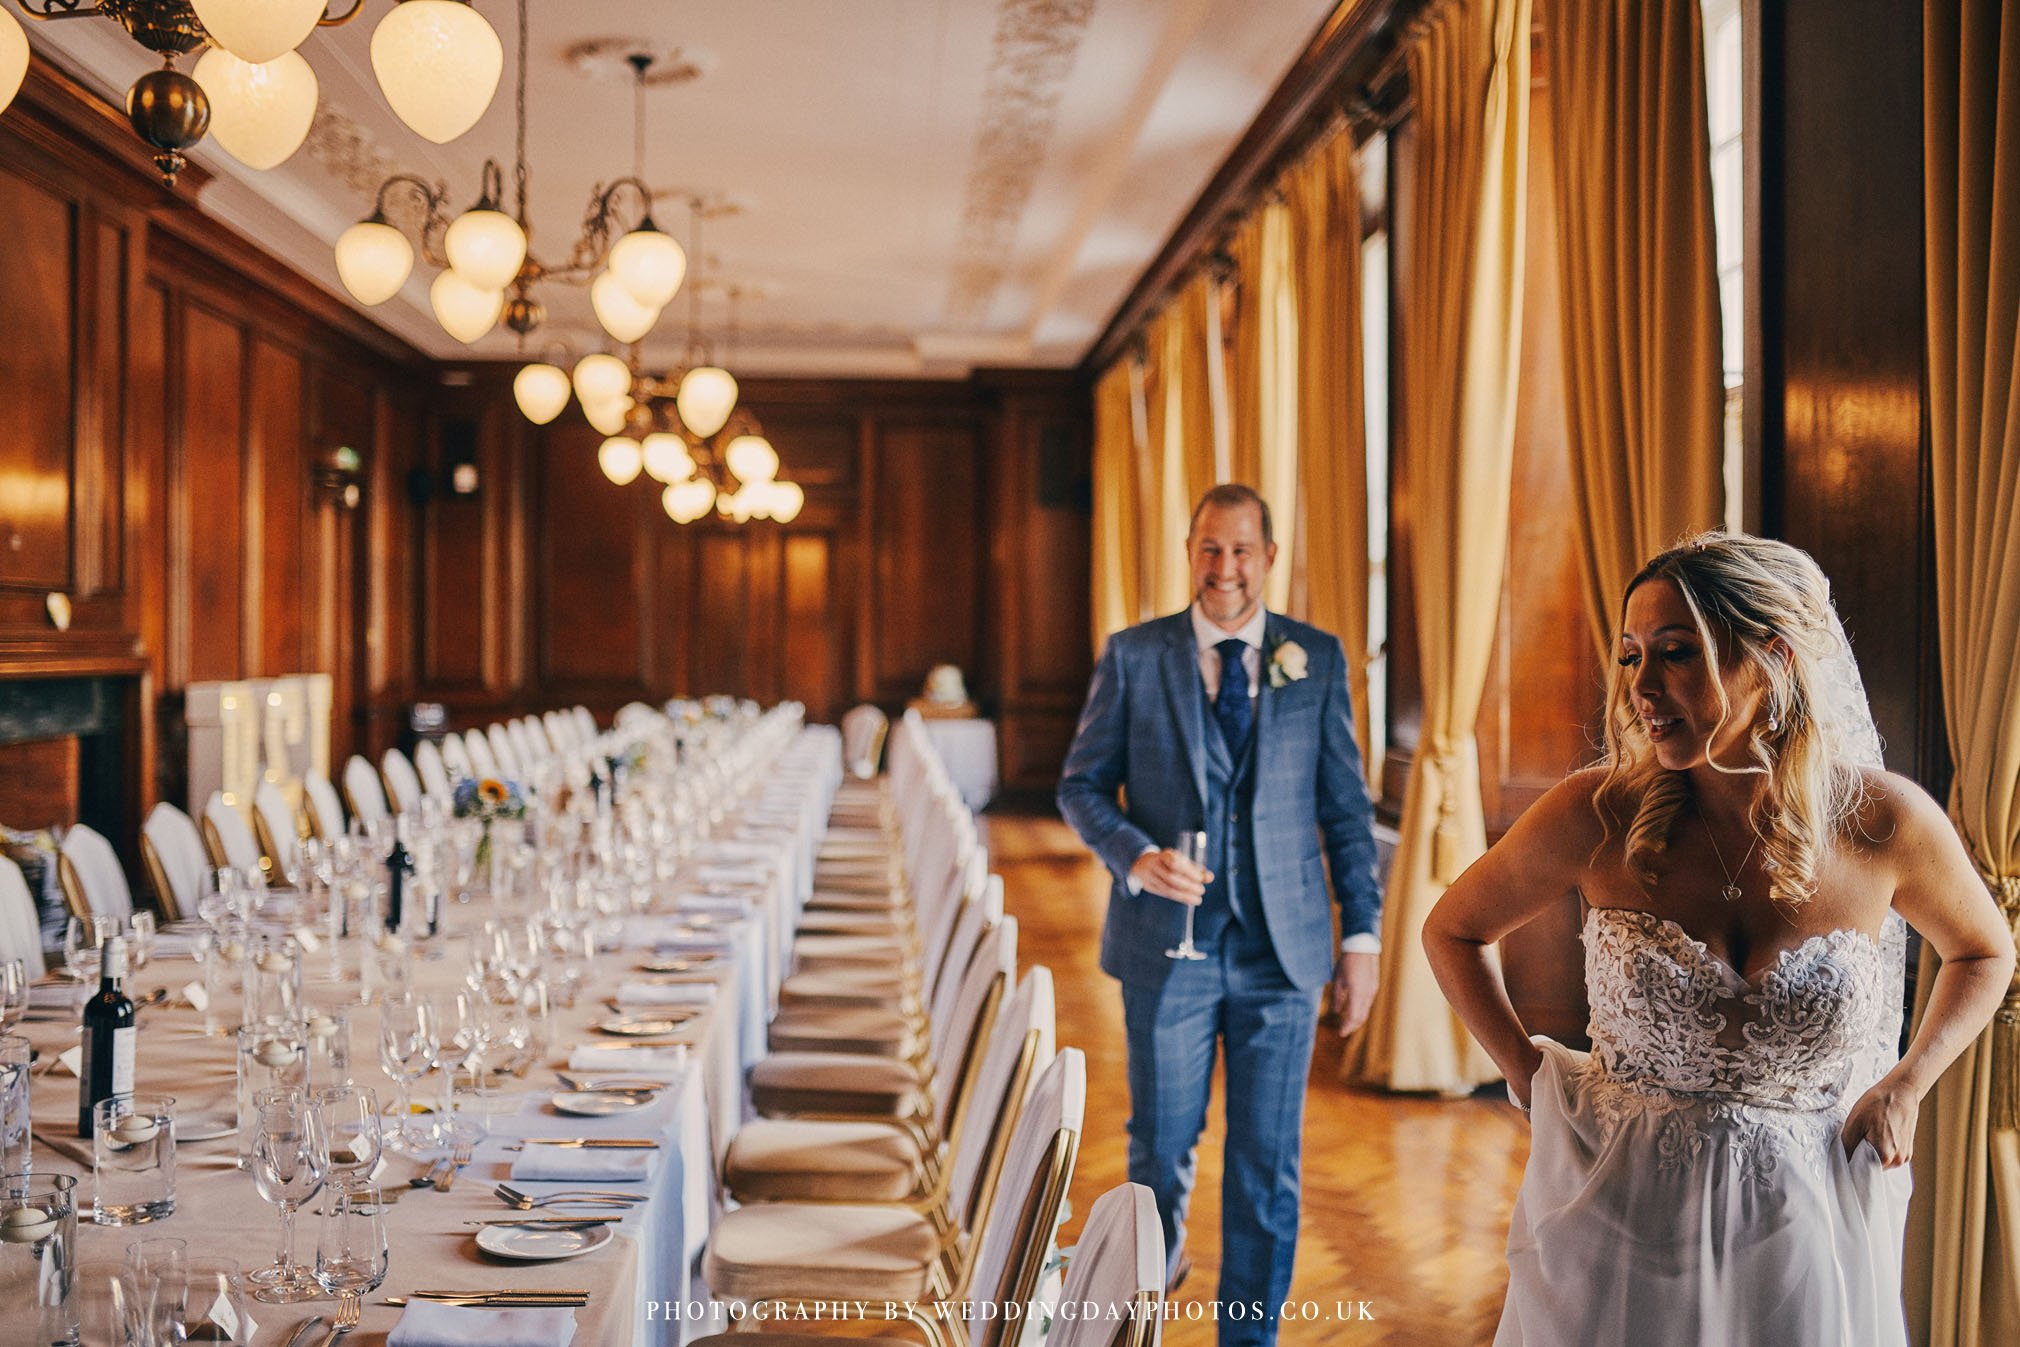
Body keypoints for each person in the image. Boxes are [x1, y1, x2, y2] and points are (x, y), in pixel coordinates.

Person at [1422, 532, 2014, 1346]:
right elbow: (1452, 928)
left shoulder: (1884, 822)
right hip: (1622, 1213)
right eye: (1631, 657)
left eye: (1676, 654)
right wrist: (1530, 1074)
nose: (1643, 688)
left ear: (1769, 658)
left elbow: (1985, 950)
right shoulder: (1596, 814)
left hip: (1804, 1229)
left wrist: (1906, 1083)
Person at [1058, 484, 1382, 1347]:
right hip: (1169, 949)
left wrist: (1360, 938)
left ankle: (1249, 1339)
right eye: (1210, 548)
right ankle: (1139, 1326)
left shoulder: (1315, 659)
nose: (1225, 568)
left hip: (1284, 952)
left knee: (1265, 1168)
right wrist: (1134, 854)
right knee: (1159, 1155)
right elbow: (1080, 784)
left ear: (1269, 558)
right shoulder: (1135, 655)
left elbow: (1346, 810)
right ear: (1189, 550)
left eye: (1241, 550)